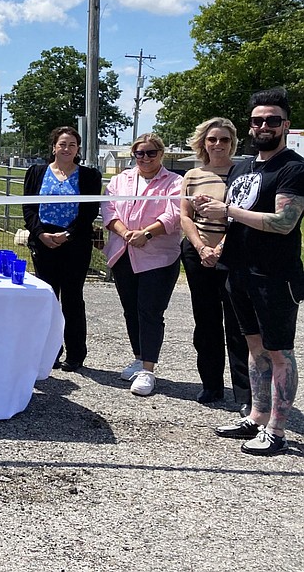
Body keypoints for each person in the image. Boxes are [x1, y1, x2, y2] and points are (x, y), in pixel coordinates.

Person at [203, 88, 304, 456]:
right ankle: (257, 417)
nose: (264, 126)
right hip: (239, 270)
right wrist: (219, 237)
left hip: (275, 275)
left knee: (280, 352)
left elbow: (283, 222)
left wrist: (227, 211)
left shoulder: (293, 167)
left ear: (285, 125)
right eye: (258, 120)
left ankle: (278, 429)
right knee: (254, 346)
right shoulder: (243, 168)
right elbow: (239, 216)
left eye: (273, 120)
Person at [101, 133, 183, 397]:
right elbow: (109, 209)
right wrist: (126, 234)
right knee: (131, 310)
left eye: (151, 153)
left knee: (150, 310)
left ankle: (149, 368)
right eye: (140, 153)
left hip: (158, 256)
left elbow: (174, 213)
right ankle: (138, 356)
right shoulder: (119, 180)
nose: (145, 158)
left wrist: (147, 233)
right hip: (123, 252)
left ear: (161, 154)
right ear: (133, 155)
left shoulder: (175, 182)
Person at [179, 117, 250, 409]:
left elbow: (242, 215)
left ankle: (245, 394)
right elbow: (185, 216)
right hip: (198, 254)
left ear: (232, 142)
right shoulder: (193, 175)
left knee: (238, 325)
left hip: (232, 253)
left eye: (224, 139)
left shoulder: (242, 172)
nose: (218, 145)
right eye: (212, 140)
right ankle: (211, 385)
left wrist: (220, 248)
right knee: (206, 322)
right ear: (203, 143)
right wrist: (200, 246)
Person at [21, 127, 103, 372]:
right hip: (43, 241)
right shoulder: (37, 172)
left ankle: (76, 353)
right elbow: (28, 208)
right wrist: (40, 234)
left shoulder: (89, 176)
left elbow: (89, 212)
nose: (66, 149)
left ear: (78, 149)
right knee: (48, 298)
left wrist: (67, 234)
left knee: (72, 298)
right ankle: (49, 352)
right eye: (62, 144)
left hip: (74, 243)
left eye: (72, 145)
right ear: (53, 146)